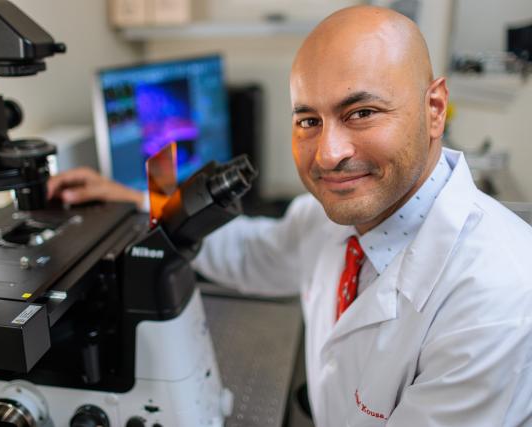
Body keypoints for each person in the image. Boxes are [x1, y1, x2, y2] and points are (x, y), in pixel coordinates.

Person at [48, 6, 532, 426]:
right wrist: (134, 198)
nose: (328, 154)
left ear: (434, 109)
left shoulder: (498, 301)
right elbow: (245, 252)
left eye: (361, 112)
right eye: (308, 121)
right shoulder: (328, 220)